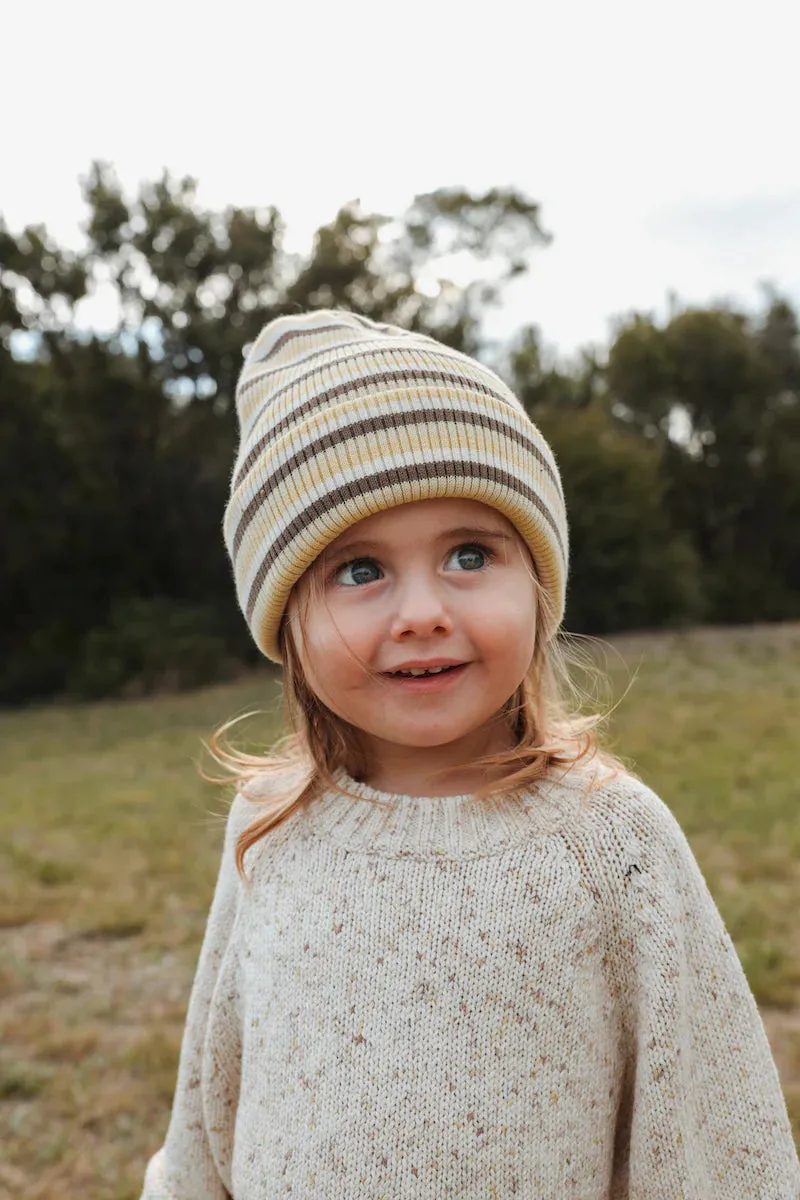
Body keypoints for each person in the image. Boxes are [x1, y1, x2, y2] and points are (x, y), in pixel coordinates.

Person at [139, 309, 799, 1199]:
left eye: (467, 553)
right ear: (285, 620)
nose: (422, 611)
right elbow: (208, 1104)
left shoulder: (613, 843)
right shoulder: (268, 828)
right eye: (359, 570)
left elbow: (717, 1139)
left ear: (537, 580)